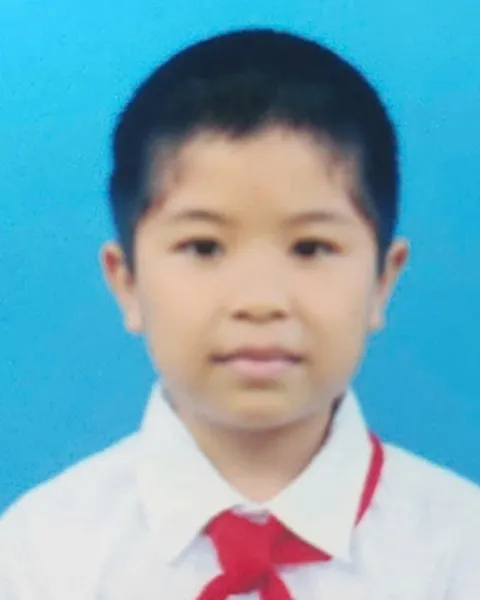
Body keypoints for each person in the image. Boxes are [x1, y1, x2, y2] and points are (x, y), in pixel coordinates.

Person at [1, 27, 479, 599]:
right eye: (204, 247)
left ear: (383, 281)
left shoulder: (459, 551)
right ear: (126, 281)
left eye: (311, 248)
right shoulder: (40, 554)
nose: (260, 300)